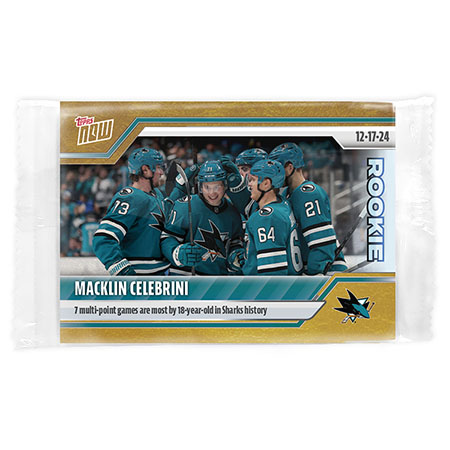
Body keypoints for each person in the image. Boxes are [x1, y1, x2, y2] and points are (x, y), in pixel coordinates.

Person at [270, 142, 347, 275]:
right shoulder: (286, 194)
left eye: (279, 168)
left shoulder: (309, 194)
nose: (274, 174)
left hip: (324, 274)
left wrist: (315, 272)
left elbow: (321, 242)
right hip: (305, 272)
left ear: (290, 167)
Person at [93, 147, 170, 276]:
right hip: (141, 277)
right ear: (145, 170)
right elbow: (103, 238)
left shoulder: (157, 194)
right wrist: (121, 269)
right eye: (158, 167)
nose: (161, 172)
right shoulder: (130, 197)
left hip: (161, 274)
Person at [161, 161, 244, 275]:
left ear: (225, 185)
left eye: (217, 187)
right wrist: (177, 253)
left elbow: (235, 242)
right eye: (207, 187)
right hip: (186, 277)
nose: (212, 193)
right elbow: (168, 237)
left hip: (218, 279)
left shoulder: (233, 212)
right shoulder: (186, 206)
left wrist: (235, 256)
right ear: (200, 187)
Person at [238, 159, 302, 275]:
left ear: (266, 183)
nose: (250, 184)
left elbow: (272, 273)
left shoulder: (266, 217)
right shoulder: (283, 204)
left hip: (264, 284)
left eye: (253, 180)